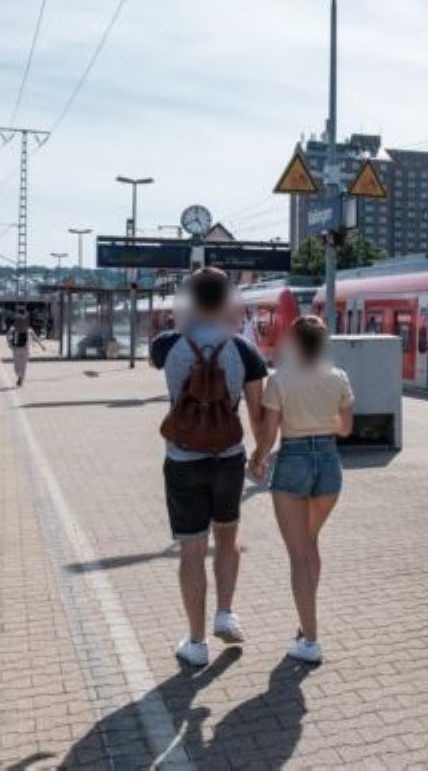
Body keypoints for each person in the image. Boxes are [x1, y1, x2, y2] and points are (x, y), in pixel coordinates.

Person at [150, 268, 268, 668]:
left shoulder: (167, 345)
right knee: (228, 537)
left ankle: (197, 643)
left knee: (192, 550)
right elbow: (258, 414)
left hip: (183, 460)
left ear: (190, 299)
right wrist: (260, 454)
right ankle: (225, 613)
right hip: (228, 459)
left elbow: (153, 358)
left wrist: (184, 321)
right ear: (226, 300)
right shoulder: (244, 350)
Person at [249, 316, 354, 664]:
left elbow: (269, 434)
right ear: (324, 343)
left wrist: (258, 460)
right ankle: (306, 621)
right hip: (329, 464)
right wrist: (321, 420)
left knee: (298, 555)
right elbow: (345, 429)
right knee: (310, 544)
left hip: (293, 462)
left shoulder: (280, 379)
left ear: (294, 342)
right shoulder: (338, 378)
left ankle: (310, 640)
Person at [8, 309, 42, 386]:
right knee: (20, 366)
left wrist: (10, 345)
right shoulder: (21, 329)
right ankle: (20, 377)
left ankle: (20, 377)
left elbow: (35, 337)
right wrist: (41, 345)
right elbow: (35, 338)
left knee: (20, 365)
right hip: (21, 348)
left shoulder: (19, 329)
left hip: (21, 349)